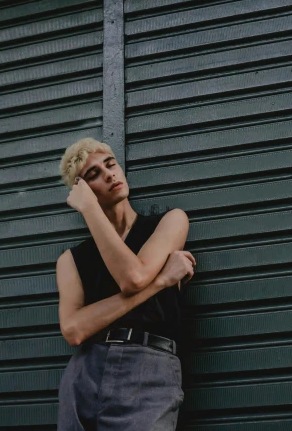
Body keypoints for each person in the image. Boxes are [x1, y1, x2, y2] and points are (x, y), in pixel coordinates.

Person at [55, 137, 195, 431]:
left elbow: (133, 277)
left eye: (110, 164)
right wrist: (160, 284)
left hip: (149, 366)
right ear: (82, 192)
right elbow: (74, 330)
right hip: (86, 372)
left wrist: (148, 281)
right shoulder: (71, 260)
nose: (109, 174)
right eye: (93, 174)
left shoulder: (169, 222)